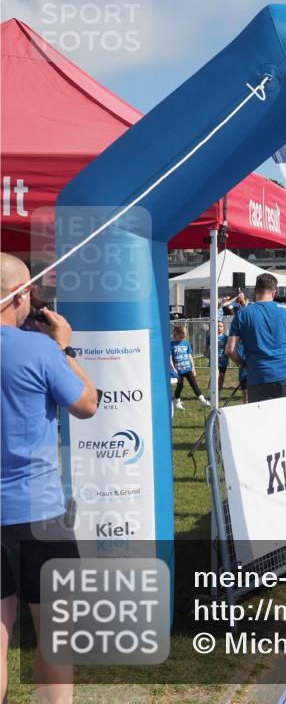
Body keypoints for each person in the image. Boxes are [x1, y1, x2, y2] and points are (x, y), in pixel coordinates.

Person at [1, 252, 98, 704]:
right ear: (20, 296)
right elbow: (87, 403)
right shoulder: (39, 349)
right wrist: (63, 346)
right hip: (39, 514)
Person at [226, 273, 286, 402]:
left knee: (260, 419)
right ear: (273, 292)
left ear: (255, 291)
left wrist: (243, 364)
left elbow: (229, 350)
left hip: (258, 373)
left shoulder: (243, 313)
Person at [171, 324, 209, 409]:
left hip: (188, 368)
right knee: (180, 386)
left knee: (194, 384)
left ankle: (202, 400)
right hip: (178, 371)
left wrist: (193, 367)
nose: (182, 339)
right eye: (181, 337)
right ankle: (177, 402)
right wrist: (173, 369)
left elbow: (189, 356)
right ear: (175, 335)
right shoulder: (171, 345)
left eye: (184, 337)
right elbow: (170, 358)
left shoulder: (186, 343)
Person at [206, 320, 229, 391]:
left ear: (223, 328)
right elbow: (207, 345)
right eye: (218, 326)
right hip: (214, 359)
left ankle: (219, 391)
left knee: (222, 376)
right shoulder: (211, 336)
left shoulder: (226, 338)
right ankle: (211, 390)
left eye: (221, 326)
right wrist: (206, 353)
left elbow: (228, 347)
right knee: (215, 375)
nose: (219, 328)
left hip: (223, 360)